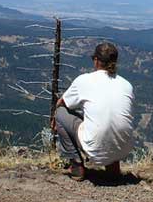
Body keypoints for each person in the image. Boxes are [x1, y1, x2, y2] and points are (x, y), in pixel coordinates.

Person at [51, 42, 135, 181]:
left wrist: (54, 118)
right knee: (110, 120)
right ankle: (113, 169)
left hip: (95, 147)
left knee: (60, 113)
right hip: (124, 148)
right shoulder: (127, 85)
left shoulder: (84, 80)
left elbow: (62, 103)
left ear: (96, 60)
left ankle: (76, 164)